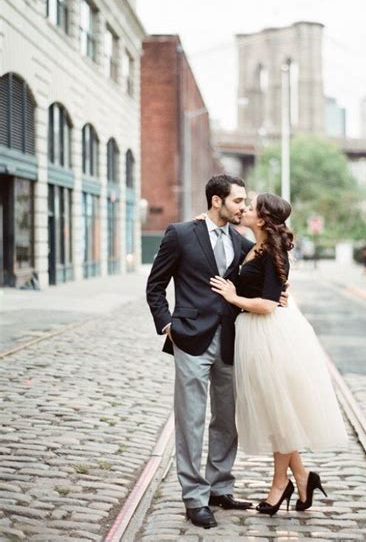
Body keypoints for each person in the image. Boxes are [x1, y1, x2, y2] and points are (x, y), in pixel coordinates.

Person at [146, 175, 287, 530]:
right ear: (216, 201)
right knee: (191, 420)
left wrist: (278, 296)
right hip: (190, 340)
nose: (243, 207)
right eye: (238, 201)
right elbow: (155, 286)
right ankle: (194, 496)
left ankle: (219, 487)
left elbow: (261, 279)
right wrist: (168, 326)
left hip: (231, 341)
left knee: (226, 420)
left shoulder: (243, 245)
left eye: (244, 202)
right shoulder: (180, 234)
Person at [210, 193, 348, 516]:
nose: (244, 209)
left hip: (271, 335)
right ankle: (301, 477)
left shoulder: (273, 252)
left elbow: (269, 304)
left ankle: (279, 485)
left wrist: (232, 297)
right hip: (255, 336)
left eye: (251, 206)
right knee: (277, 413)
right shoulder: (252, 248)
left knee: (278, 414)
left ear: (261, 219)